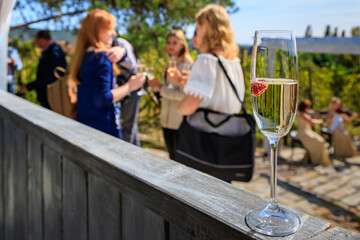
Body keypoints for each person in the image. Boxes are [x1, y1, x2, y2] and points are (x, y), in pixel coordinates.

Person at [67, 9, 145, 139]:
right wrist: (131, 86)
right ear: (98, 30)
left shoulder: (82, 56)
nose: (114, 33)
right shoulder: (102, 58)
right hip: (103, 129)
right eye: (110, 29)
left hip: (84, 124)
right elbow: (102, 99)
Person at [177, 5, 245, 134]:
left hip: (207, 136)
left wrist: (179, 108)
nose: (193, 36)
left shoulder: (206, 60)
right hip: (229, 134)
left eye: (196, 30)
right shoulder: (235, 62)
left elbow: (188, 107)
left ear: (206, 28)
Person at [148, 30, 194, 159]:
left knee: (180, 161)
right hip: (166, 120)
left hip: (178, 121)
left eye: (175, 42)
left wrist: (159, 87)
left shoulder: (187, 65)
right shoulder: (170, 62)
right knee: (172, 157)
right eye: (168, 42)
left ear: (182, 45)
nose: (171, 46)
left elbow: (185, 95)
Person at [20, 30, 67, 109]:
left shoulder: (54, 52)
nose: (36, 43)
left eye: (36, 40)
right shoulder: (50, 51)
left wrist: (29, 86)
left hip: (52, 95)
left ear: (42, 39)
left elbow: (48, 76)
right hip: (48, 94)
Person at [113, 37, 141, 146]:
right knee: (131, 125)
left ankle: (127, 153)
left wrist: (120, 56)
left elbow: (133, 66)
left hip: (132, 88)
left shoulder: (120, 43)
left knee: (129, 125)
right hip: (122, 89)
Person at [297, 99, 331, 166]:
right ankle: (317, 160)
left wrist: (315, 117)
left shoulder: (304, 114)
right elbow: (311, 121)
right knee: (319, 142)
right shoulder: (301, 114)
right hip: (303, 133)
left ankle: (316, 158)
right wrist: (320, 121)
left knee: (321, 141)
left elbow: (310, 122)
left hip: (308, 131)